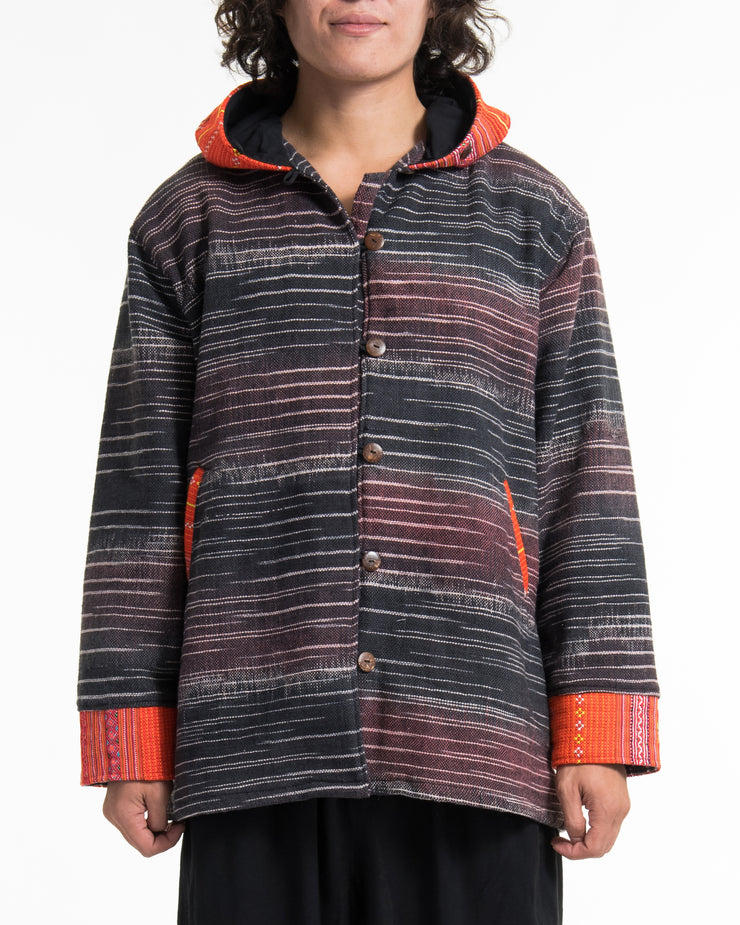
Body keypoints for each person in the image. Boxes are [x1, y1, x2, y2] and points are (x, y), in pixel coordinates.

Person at [76, 1, 661, 922]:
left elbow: (586, 476)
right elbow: (138, 491)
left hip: (476, 736)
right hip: (253, 736)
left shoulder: (534, 216)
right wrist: (132, 734)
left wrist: (597, 724)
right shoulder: (188, 219)